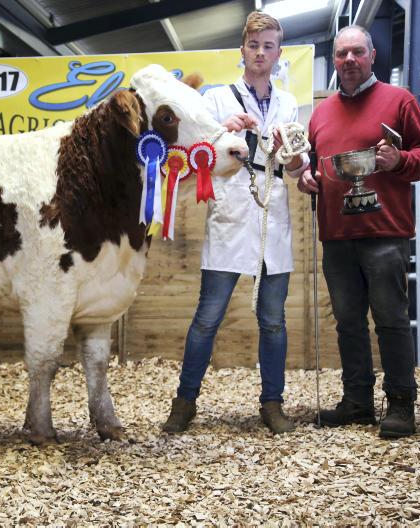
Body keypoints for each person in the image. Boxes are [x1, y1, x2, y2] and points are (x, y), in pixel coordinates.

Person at [162, 11, 309, 435]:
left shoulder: (288, 103)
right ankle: (185, 402)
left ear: (278, 54)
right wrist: (223, 131)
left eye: (268, 46)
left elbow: (298, 167)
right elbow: (195, 155)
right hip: (230, 208)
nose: (260, 53)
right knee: (208, 316)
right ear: (242, 50)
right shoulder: (216, 99)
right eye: (254, 45)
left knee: (273, 319)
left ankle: (272, 403)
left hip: (271, 209)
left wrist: (289, 154)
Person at [297, 25, 420, 438]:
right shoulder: (321, 113)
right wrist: (307, 178)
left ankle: (401, 403)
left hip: (385, 233)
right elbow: (314, 165)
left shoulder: (399, 100)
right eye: (342, 53)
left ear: (372, 56)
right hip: (337, 236)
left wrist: (399, 161)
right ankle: (357, 401)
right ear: (335, 60)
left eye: (357, 52)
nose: (349, 60)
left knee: (391, 319)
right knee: (348, 323)